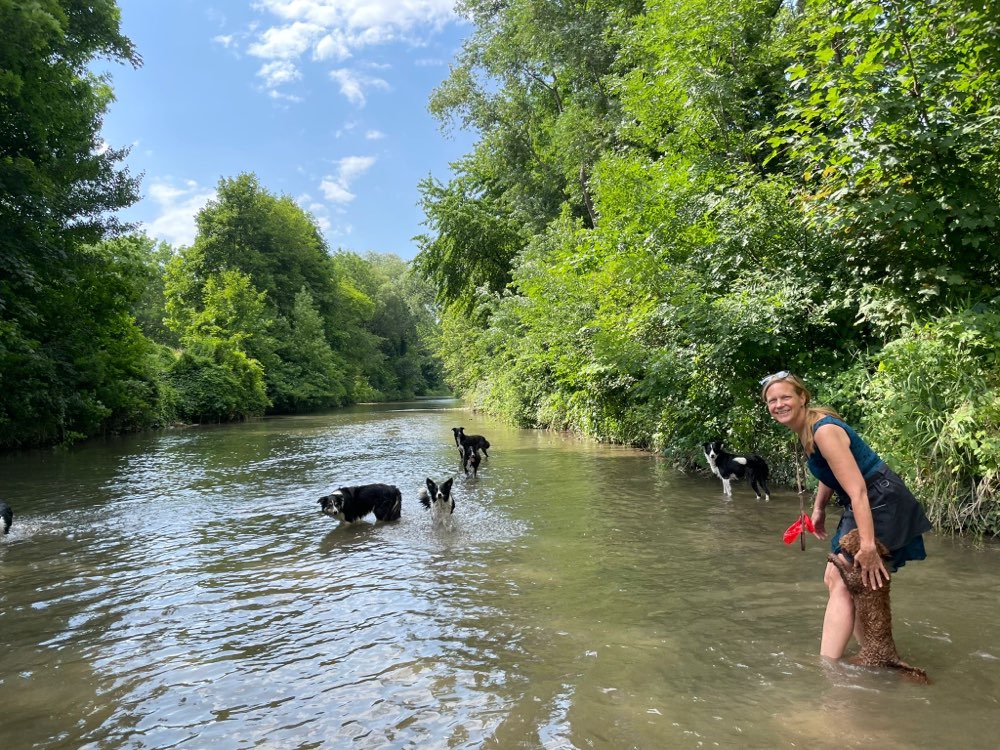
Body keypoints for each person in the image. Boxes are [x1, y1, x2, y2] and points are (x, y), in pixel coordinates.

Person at [760, 371, 932, 659]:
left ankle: (830, 669)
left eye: (785, 397)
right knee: (837, 577)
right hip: (871, 497)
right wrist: (818, 509)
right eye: (772, 400)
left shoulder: (823, 430)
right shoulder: (808, 428)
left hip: (881, 499)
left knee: (841, 577)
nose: (779, 404)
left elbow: (859, 491)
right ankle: (873, 655)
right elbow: (832, 471)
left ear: (802, 397)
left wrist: (867, 546)